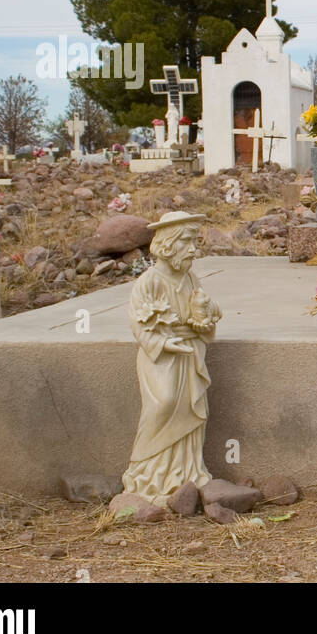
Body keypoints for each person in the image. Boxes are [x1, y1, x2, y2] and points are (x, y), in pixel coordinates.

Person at [122, 211, 222, 506]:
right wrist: (165, 342)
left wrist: (206, 311)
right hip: (162, 357)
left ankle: (184, 472)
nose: (194, 249)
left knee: (191, 408)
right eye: (188, 242)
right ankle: (145, 472)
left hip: (189, 352)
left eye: (195, 242)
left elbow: (202, 308)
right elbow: (138, 324)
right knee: (163, 404)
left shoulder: (190, 277)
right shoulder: (149, 281)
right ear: (168, 245)